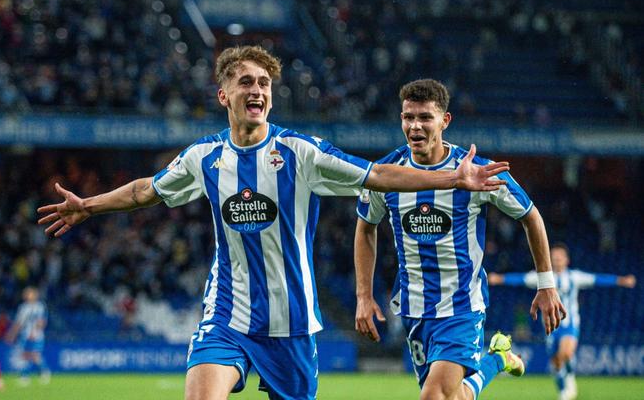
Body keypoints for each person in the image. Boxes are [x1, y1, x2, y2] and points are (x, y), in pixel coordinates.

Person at [36, 45, 509, 400]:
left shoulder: (302, 153)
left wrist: (452, 177)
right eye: (246, 82)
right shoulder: (204, 158)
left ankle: (489, 363)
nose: (257, 90)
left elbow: (378, 174)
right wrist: (89, 206)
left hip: (293, 322)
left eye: (264, 83)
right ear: (224, 94)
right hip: (229, 314)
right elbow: (146, 191)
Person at [354, 78, 567, 400]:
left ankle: (494, 360)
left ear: (445, 120)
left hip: (462, 305)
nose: (415, 126)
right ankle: (497, 360)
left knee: (433, 396)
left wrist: (547, 284)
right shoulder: (387, 173)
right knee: (453, 396)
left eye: (425, 117)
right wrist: (363, 295)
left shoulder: (477, 172)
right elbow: (365, 226)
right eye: (408, 117)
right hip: (414, 307)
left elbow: (531, 216)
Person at [488, 242, 636, 400]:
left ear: (567, 260)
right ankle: (563, 389)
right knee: (556, 362)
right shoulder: (541, 278)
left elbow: (598, 279)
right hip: (550, 326)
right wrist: (499, 278)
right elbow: (519, 279)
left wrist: (621, 280)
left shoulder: (575, 277)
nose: (557, 261)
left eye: (560, 258)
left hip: (570, 324)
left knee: (566, 352)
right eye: (554, 258)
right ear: (550, 260)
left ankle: (569, 380)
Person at [6, 286, 50, 386]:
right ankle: (24, 376)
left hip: (37, 336)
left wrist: (36, 330)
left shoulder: (40, 306)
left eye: (28, 293)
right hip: (25, 335)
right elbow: (18, 323)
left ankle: (43, 371)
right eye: (25, 294)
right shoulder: (23, 307)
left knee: (34, 355)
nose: (26, 295)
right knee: (24, 356)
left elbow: (43, 321)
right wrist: (12, 334)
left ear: (34, 295)